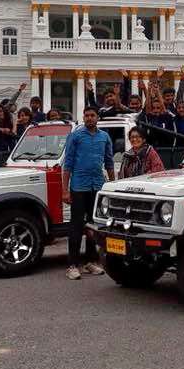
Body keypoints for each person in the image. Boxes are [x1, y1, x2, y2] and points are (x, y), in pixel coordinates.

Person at [60, 105, 114, 280]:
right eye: (86, 115)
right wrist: (65, 190)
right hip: (79, 187)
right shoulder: (75, 136)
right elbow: (67, 164)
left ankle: (91, 262)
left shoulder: (104, 137)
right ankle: (73, 265)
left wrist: (112, 185)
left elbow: (109, 162)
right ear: (83, 118)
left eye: (92, 115)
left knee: (93, 226)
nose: (89, 118)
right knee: (76, 225)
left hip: (97, 186)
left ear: (97, 117)